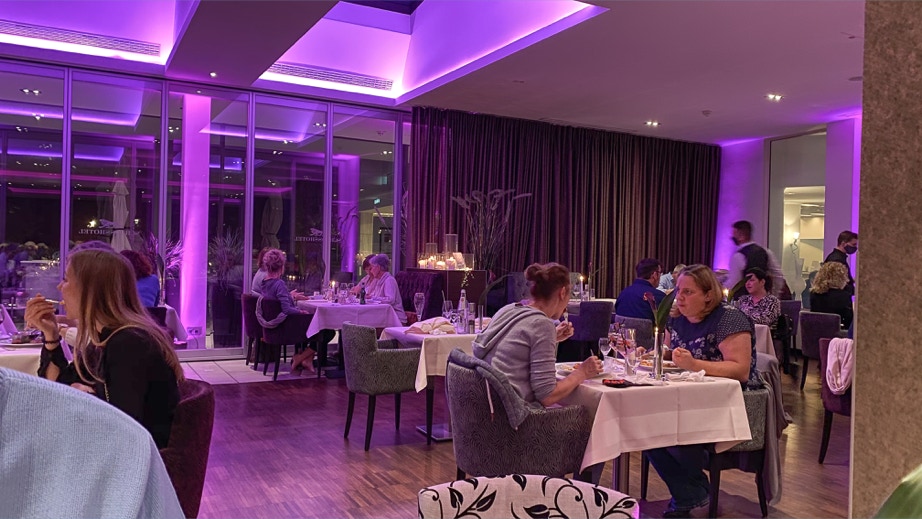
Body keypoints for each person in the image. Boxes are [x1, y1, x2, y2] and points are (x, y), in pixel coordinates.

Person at [23, 249, 183, 449]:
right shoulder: (104, 340)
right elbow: (57, 388)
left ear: (90, 290)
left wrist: (85, 398)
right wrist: (51, 334)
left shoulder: (129, 344)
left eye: (66, 279)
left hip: (138, 461)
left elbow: (124, 428)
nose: (59, 286)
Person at [648, 264, 758, 518]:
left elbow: (741, 370)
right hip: (687, 396)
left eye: (688, 292)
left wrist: (694, 364)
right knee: (644, 427)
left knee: (672, 427)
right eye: (678, 291)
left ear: (708, 295)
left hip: (731, 402)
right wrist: (652, 353)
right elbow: (670, 353)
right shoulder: (677, 318)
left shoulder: (729, 319)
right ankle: (692, 494)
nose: (679, 297)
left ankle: (689, 495)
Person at [472, 262, 601, 406]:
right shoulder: (542, 324)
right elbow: (547, 396)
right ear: (563, 292)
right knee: (589, 412)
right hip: (511, 413)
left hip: (484, 404)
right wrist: (582, 372)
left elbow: (514, 346)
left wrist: (553, 336)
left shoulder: (509, 309)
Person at [257, 249, 325, 374]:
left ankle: (306, 359)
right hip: (285, 328)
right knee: (325, 329)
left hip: (274, 326)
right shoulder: (279, 284)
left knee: (314, 323)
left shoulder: (264, 282)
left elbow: (276, 300)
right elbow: (287, 309)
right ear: (282, 267)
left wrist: (289, 296)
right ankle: (300, 357)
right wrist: (300, 312)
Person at [725, 220, 785, 298]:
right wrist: (774, 295)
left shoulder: (738, 256)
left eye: (734, 233)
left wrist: (720, 289)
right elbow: (778, 276)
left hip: (744, 301)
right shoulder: (766, 252)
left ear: (741, 235)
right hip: (764, 300)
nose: (732, 237)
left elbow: (734, 283)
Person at [365, 254, 407, 324]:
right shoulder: (379, 280)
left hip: (396, 319)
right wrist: (370, 296)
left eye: (371, 268)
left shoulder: (389, 280)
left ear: (378, 267)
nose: (371, 271)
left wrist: (372, 298)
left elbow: (390, 300)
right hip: (384, 317)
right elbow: (373, 295)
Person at [809, 262, 853, 329]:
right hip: (836, 332)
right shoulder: (844, 296)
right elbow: (849, 322)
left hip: (816, 331)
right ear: (840, 278)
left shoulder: (814, 294)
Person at [824, 230, 858, 296]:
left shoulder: (836, 257)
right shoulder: (837, 260)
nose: (855, 247)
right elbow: (838, 284)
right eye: (853, 244)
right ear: (843, 244)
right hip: (838, 299)